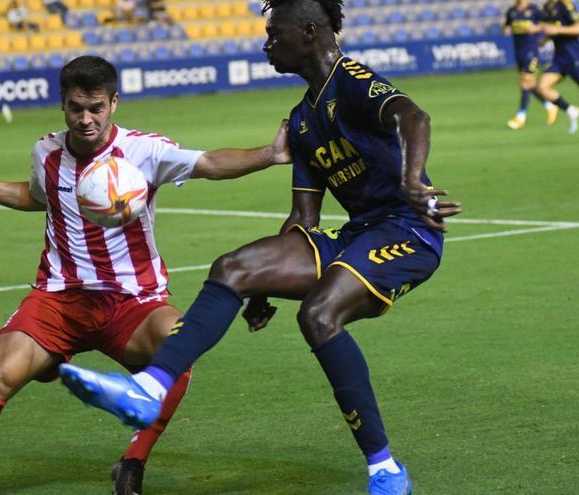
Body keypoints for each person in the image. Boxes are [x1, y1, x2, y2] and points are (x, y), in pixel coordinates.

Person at [58, 1, 463, 494]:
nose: (265, 43)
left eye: (274, 34)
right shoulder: (300, 121)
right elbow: (303, 220)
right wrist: (261, 284)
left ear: (309, 33)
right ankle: (149, 388)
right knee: (233, 267)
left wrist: (413, 179)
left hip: (409, 231)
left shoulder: (351, 78)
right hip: (360, 233)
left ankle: (385, 470)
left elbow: (412, 116)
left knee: (318, 314)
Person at [0, 55, 290, 495]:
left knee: (179, 345)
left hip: (133, 302)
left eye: (95, 107)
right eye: (76, 107)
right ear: (62, 105)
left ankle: (132, 464)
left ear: (114, 102)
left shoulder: (143, 151)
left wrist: (271, 154)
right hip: (58, 299)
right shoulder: (46, 152)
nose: (85, 119)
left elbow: (210, 162)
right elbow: (37, 196)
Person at [503, 0, 558, 128]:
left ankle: (521, 116)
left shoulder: (535, 10)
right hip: (519, 52)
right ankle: (550, 106)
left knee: (524, 83)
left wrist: (536, 28)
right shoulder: (512, 11)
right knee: (530, 85)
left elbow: (548, 24)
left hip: (532, 51)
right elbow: (506, 27)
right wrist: (507, 29)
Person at [538, 0, 579, 133]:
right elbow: (551, 29)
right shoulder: (546, 7)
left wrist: (558, 30)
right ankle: (571, 110)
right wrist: (545, 39)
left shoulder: (566, 5)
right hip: (559, 58)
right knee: (543, 87)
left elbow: (577, 28)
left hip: (574, 55)